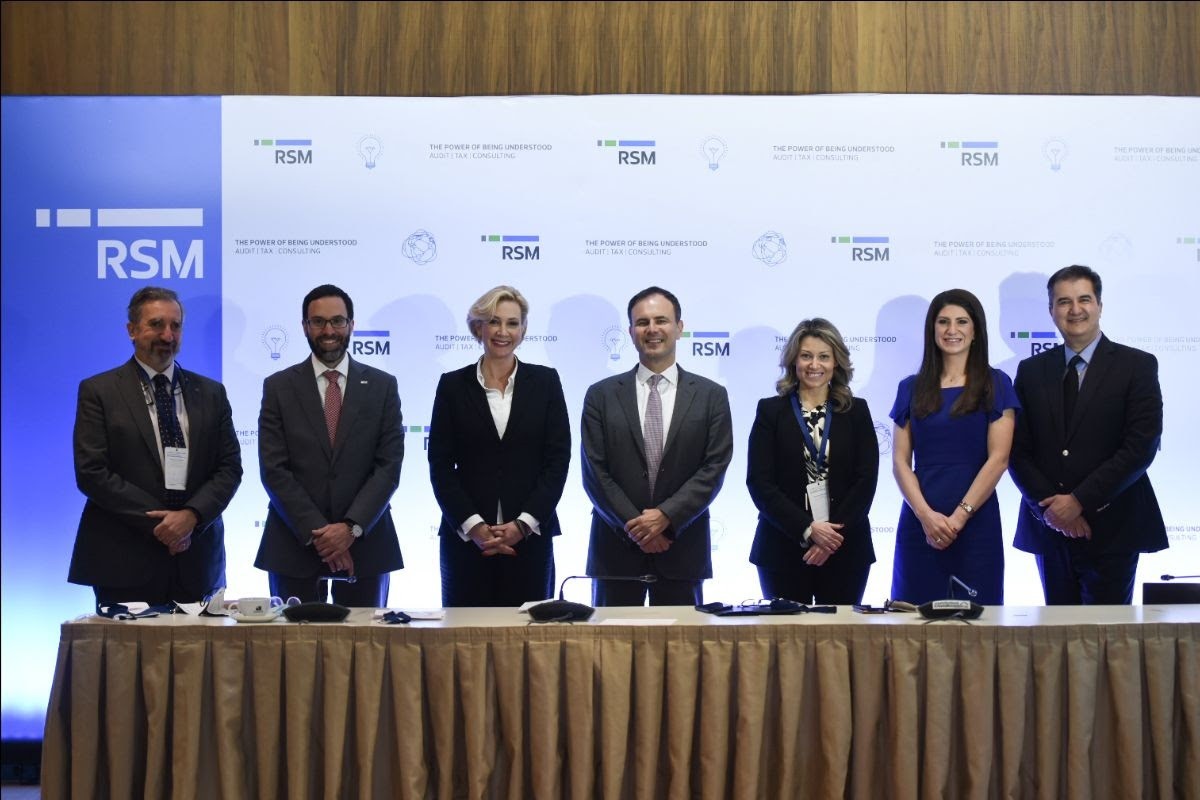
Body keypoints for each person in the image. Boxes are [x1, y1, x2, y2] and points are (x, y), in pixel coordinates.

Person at [69, 287, 242, 607]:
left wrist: (191, 517)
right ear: (132, 330)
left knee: (199, 643)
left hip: (197, 560)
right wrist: (163, 525)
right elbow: (91, 472)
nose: (167, 335)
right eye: (156, 324)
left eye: (175, 326)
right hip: (123, 559)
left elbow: (229, 467)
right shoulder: (99, 391)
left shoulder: (211, 393)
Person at [1009, 265, 1166, 604]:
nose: (1075, 309)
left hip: (1114, 527)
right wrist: (1052, 511)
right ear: (1051, 310)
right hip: (1050, 528)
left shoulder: (1137, 366)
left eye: (1084, 299)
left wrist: (1079, 501)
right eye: (1064, 301)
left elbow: (1141, 446)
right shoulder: (1031, 371)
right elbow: (1017, 450)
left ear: (1099, 306)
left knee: (1107, 633)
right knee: (1056, 633)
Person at [582, 286, 733, 606]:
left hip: (682, 548)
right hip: (616, 550)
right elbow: (595, 472)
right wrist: (637, 528)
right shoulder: (600, 395)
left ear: (679, 328)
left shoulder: (711, 396)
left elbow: (714, 468)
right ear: (631, 332)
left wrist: (666, 517)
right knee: (611, 639)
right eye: (642, 322)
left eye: (661, 320)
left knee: (683, 640)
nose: (652, 329)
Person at [255, 284, 404, 606]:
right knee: (292, 640)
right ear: (305, 326)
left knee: (366, 639)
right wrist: (321, 534)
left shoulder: (382, 386)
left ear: (351, 325)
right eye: (318, 322)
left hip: (366, 544)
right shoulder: (278, 387)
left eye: (337, 321)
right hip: (294, 544)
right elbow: (274, 469)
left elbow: (388, 467)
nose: (329, 331)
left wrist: (349, 529)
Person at [428, 286, 571, 606]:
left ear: (523, 330)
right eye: (494, 322)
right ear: (478, 327)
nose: (503, 332)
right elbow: (440, 465)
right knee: (464, 635)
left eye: (512, 323)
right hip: (466, 543)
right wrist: (473, 526)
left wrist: (524, 524)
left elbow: (557, 460)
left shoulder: (546, 382)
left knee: (528, 633)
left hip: (530, 541)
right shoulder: (452, 385)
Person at [890, 289, 1018, 605]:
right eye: (943, 321)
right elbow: (900, 462)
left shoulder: (996, 383)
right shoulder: (910, 387)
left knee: (979, 623)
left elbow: (999, 459)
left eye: (962, 321)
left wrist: (959, 518)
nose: (952, 330)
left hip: (976, 524)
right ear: (932, 329)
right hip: (920, 524)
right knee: (911, 621)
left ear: (975, 331)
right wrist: (925, 517)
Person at [747, 318, 879, 605]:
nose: (814, 365)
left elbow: (866, 480)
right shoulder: (770, 411)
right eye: (806, 356)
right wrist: (808, 529)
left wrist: (829, 538)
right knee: (787, 634)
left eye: (823, 357)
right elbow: (760, 482)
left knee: (842, 633)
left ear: (836, 362)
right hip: (782, 547)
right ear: (793, 360)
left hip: (846, 548)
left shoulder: (857, 411)